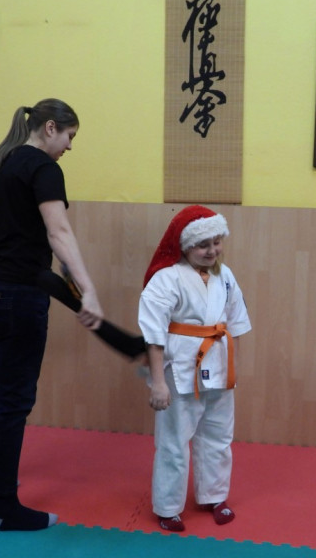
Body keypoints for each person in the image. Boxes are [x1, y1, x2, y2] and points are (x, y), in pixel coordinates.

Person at [0, 98, 104, 532]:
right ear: (50, 128)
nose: (70, 147)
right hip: (17, 296)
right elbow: (58, 231)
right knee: (14, 400)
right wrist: (87, 289)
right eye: (69, 136)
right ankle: (8, 508)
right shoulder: (43, 168)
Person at [138, 206, 252, 532]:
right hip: (179, 369)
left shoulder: (225, 276)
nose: (212, 250)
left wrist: (234, 366)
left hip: (219, 365)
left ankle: (214, 496)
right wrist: (157, 383)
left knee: (218, 435)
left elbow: (236, 322)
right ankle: (168, 507)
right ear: (185, 246)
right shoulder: (166, 278)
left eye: (216, 242)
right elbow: (153, 334)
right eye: (203, 245)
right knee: (174, 441)